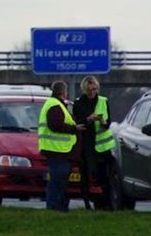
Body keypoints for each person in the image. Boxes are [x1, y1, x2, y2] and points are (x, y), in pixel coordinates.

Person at [38, 81, 85, 212]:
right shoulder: (55, 105)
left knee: (60, 181)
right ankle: (55, 208)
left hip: (59, 150)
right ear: (63, 92)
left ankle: (59, 207)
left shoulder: (55, 104)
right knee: (57, 181)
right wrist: (74, 128)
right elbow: (55, 125)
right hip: (57, 149)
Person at [72, 76, 118, 209]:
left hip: (102, 147)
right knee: (86, 175)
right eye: (89, 90)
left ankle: (107, 205)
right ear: (84, 89)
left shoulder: (103, 101)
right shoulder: (79, 102)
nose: (92, 92)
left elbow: (108, 123)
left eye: (94, 89)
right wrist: (88, 119)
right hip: (86, 145)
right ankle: (87, 204)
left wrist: (103, 122)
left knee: (105, 176)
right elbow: (77, 122)